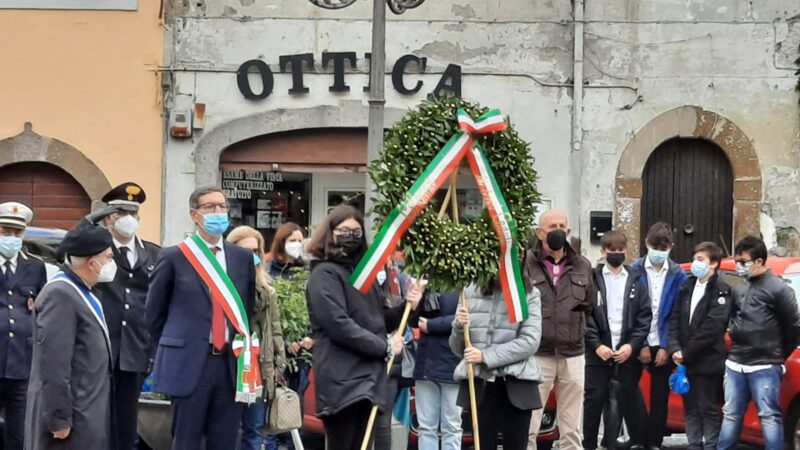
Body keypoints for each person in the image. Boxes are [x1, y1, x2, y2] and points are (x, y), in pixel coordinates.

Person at [305, 205, 425, 450]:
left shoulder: (364, 277)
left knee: (363, 443)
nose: (351, 236)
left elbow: (381, 318)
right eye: (344, 230)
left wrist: (409, 305)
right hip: (342, 378)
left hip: (369, 376)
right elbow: (338, 324)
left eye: (356, 231)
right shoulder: (324, 274)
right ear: (330, 232)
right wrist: (384, 347)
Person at [146, 186, 256, 450]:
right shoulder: (174, 256)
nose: (218, 212)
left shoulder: (241, 258)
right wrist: (178, 344)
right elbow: (154, 313)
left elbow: (247, 308)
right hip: (189, 363)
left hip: (230, 364)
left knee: (226, 440)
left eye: (222, 206)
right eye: (210, 207)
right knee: (186, 441)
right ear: (195, 214)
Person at [25, 209, 118, 449]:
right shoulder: (61, 294)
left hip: (87, 414)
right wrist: (59, 419)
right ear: (92, 262)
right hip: (70, 422)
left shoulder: (83, 291)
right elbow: (53, 364)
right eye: (108, 257)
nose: (111, 263)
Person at [94, 182, 161, 450]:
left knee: (126, 425)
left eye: (133, 214)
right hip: (101, 348)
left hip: (135, 349)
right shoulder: (95, 249)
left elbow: (159, 303)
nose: (128, 220)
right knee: (95, 421)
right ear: (109, 218)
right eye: (122, 213)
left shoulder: (154, 253)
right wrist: (93, 221)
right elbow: (66, 248)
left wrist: (153, 349)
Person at [717, 236, 800, 450]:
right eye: (737, 261)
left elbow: (794, 327)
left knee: (769, 416)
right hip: (736, 361)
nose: (739, 266)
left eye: (743, 262)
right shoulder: (740, 288)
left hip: (765, 363)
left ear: (760, 261)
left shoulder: (779, 289)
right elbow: (733, 318)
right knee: (731, 414)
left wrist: (778, 354)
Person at [524, 209, 595, 450]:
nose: (558, 230)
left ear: (568, 231)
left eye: (562, 225)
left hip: (573, 354)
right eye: (552, 225)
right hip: (537, 353)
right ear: (539, 232)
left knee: (572, 428)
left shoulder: (582, 265)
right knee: (529, 425)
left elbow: (589, 306)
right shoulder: (525, 264)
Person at [450, 283, 542, 450]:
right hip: (481, 384)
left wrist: (485, 356)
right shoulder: (469, 291)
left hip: (517, 383)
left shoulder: (529, 293)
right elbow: (457, 348)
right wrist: (457, 326)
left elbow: (530, 342)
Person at [583, 231, 651, 450]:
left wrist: (632, 346)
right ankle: (589, 444)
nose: (616, 254)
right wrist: (596, 345)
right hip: (598, 354)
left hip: (626, 355)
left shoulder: (637, 280)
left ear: (626, 251)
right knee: (594, 403)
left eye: (620, 251)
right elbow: (585, 315)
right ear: (603, 252)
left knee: (619, 404)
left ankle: (610, 444)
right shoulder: (592, 279)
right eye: (612, 251)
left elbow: (644, 317)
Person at [667, 242, 731, 450]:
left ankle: (710, 445)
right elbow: (674, 318)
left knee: (707, 407)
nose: (696, 263)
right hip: (685, 361)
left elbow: (712, 328)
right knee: (690, 408)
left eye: (700, 259)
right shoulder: (687, 286)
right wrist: (675, 348)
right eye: (695, 258)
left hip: (707, 361)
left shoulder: (721, 290)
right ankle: (694, 444)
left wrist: (686, 353)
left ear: (713, 263)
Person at [629, 222, 686, 450]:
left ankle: (654, 442)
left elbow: (676, 314)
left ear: (671, 247)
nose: (658, 252)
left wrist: (665, 346)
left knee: (660, 397)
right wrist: (640, 343)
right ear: (646, 243)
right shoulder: (634, 269)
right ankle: (637, 437)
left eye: (663, 248)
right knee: (628, 392)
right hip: (637, 341)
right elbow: (630, 311)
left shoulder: (677, 274)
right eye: (655, 246)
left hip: (663, 342)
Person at [228, 226, 286, 450]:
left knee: (254, 429)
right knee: (230, 428)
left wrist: (278, 362)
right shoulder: (223, 285)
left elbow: (275, 327)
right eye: (245, 250)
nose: (251, 256)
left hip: (258, 366)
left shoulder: (267, 285)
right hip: (231, 365)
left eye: (255, 250)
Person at [0, 203, 47, 450]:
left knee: (19, 432)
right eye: (5, 231)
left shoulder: (36, 266)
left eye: (17, 233)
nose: (11, 238)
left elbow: (40, 308)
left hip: (21, 360)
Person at [266, 222, 310, 450]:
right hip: (276, 351)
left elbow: (314, 309)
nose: (297, 245)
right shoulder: (268, 271)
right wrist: (284, 342)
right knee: (273, 403)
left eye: (300, 240)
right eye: (292, 240)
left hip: (302, 353)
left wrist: (309, 338)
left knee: (296, 404)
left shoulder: (306, 271)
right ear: (281, 242)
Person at [411, 291, 462, 450]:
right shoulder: (427, 283)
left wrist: (431, 326)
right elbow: (413, 321)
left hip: (452, 364)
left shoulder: (465, 284)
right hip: (425, 364)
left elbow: (467, 317)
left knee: (452, 427)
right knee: (426, 427)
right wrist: (415, 304)